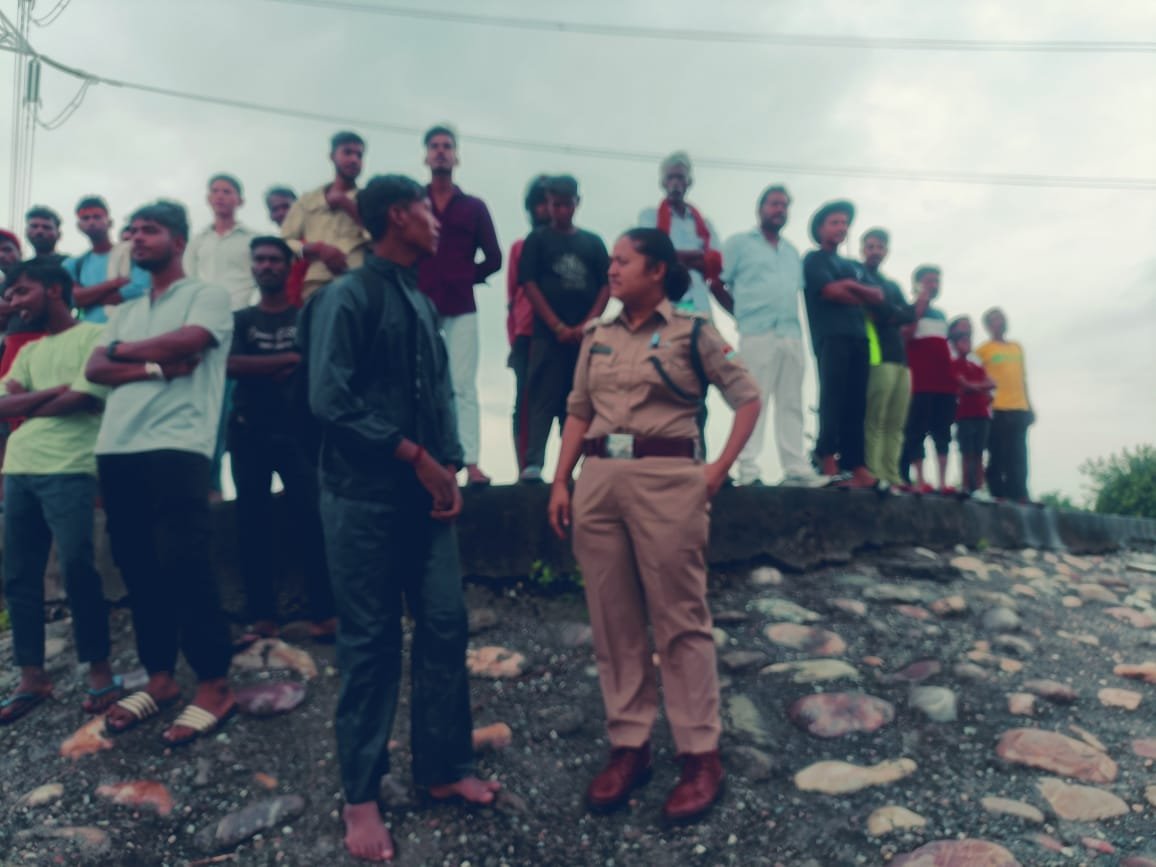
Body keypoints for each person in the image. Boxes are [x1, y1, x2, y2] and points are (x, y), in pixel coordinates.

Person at [305, 175, 499, 863]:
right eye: (425, 208)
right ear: (397, 214)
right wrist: (414, 456)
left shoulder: (420, 297)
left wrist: (448, 467)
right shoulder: (347, 295)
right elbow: (329, 399)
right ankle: (360, 796)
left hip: (425, 500)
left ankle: (443, 768)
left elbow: (436, 395)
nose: (436, 219)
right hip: (362, 498)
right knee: (371, 642)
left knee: (445, 626)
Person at [547, 228, 760, 821]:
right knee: (612, 620)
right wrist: (561, 481)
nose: (611, 269)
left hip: (668, 479)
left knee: (680, 620)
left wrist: (717, 470)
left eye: (623, 260)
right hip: (599, 480)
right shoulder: (597, 336)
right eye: (611, 261)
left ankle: (700, 754)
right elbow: (578, 411)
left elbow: (746, 397)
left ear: (657, 269)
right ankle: (630, 745)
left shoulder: (693, 331)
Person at [85, 200, 236, 747]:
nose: (137, 238)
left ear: (178, 240)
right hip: (117, 446)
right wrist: (152, 365)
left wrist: (122, 353)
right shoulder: (124, 311)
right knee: (137, 566)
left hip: (177, 444)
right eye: (134, 231)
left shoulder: (207, 295)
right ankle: (161, 678)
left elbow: (190, 342)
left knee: (184, 562)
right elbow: (95, 367)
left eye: (150, 230)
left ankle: (215, 683)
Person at [0, 262, 120, 724]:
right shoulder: (29, 351)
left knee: (77, 567)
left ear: (53, 289)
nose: (13, 302)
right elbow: (2, 405)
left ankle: (100, 671)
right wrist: (51, 395)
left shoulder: (95, 336)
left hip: (70, 466)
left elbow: (86, 397)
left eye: (21, 292)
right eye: (10, 295)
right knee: (18, 575)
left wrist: (27, 402)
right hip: (19, 466)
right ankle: (32, 677)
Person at [227, 236, 335, 642]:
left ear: (289, 267)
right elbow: (230, 364)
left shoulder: (306, 317)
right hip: (249, 429)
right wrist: (287, 359)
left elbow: (317, 364)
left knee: (313, 518)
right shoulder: (240, 319)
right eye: (260, 259)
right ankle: (262, 617)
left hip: (299, 430)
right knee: (251, 522)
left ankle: (325, 612)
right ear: (252, 266)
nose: (267, 266)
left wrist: (262, 365)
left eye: (275, 259)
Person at [417, 125, 502, 487]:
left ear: (456, 156)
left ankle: (469, 461)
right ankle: (431, 460)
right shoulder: (415, 202)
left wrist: (466, 276)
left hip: (461, 305)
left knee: (462, 384)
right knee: (421, 382)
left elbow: (494, 257)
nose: (441, 152)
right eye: (435, 146)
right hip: (419, 304)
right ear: (425, 155)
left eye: (447, 146)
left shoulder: (473, 206)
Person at [720, 185, 821, 487]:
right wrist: (740, 315)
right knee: (754, 399)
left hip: (791, 334)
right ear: (760, 208)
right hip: (757, 333)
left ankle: (796, 468)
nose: (779, 210)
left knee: (792, 402)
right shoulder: (739, 244)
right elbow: (717, 282)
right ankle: (748, 469)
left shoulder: (791, 252)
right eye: (774, 204)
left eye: (784, 205)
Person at [517, 175, 610, 483]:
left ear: (577, 203)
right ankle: (533, 463)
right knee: (542, 397)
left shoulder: (592, 243)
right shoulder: (537, 240)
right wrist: (556, 325)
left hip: (585, 338)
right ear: (548, 204)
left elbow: (606, 286)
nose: (561, 211)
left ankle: (580, 465)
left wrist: (587, 324)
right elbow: (529, 284)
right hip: (547, 336)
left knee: (583, 400)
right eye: (555, 205)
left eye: (566, 204)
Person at [802, 201, 883, 488]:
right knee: (832, 399)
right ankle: (826, 457)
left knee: (857, 403)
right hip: (831, 336)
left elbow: (877, 296)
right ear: (820, 228)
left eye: (844, 223)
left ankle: (856, 464)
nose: (841, 228)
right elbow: (830, 291)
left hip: (859, 337)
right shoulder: (814, 260)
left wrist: (851, 288)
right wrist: (856, 292)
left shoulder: (852, 265)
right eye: (835, 222)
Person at [281, 131, 370, 301]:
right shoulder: (307, 200)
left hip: (357, 284)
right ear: (332, 156)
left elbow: (379, 240)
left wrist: (348, 205)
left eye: (359, 155)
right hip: (314, 286)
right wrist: (315, 249)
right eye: (347, 152)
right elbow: (285, 242)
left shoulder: (368, 198)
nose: (354, 160)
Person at [638, 152, 726, 316]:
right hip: (664, 298)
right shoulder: (650, 216)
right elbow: (653, 254)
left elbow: (716, 262)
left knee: (702, 332)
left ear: (688, 182)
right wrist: (698, 255)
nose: (675, 183)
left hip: (699, 300)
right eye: (671, 177)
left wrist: (675, 258)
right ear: (663, 183)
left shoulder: (704, 224)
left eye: (680, 177)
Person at [860, 228, 916, 487]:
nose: (875, 251)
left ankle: (892, 473)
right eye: (870, 246)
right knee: (876, 418)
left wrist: (888, 313)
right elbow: (877, 311)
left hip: (900, 359)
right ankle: (874, 472)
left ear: (886, 251)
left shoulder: (891, 285)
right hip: (878, 357)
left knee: (897, 421)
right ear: (863, 249)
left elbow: (907, 314)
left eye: (879, 247)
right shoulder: (860, 276)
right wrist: (890, 314)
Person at [507, 175, 550, 472]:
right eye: (540, 203)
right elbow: (512, 296)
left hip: (564, 335)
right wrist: (513, 339)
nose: (546, 209)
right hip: (527, 332)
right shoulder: (520, 248)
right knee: (524, 401)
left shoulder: (575, 245)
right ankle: (526, 468)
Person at [901, 266, 955, 493]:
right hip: (919, 381)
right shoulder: (908, 310)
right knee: (916, 430)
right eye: (929, 281)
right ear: (917, 284)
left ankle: (943, 482)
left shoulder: (941, 315)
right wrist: (919, 306)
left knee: (943, 432)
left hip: (944, 382)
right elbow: (905, 335)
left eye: (936, 281)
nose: (933, 285)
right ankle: (920, 479)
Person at [977, 307, 1034, 502]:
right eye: (995, 319)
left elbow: (1023, 378)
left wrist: (1029, 405)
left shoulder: (1016, 347)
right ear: (988, 326)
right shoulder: (983, 350)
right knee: (998, 452)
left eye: (1002, 318)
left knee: (1019, 454)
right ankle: (998, 493)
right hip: (996, 407)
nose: (1000, 322)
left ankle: (1020, 493)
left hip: (1019, 407)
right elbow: (977, 376)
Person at [64, 196, 150, 324]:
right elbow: (72, 299)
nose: (91, 222)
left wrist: (89, 298)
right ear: (79, 226)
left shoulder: (132, 252)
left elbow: (139, 289)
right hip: (89, 332)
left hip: (130, 328)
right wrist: (113, 283)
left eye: (97, 217)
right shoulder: (74, 264)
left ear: (110, 222)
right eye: (85, 218)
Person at [184, 174, 258, 312]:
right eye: (215, 191)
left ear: (240, 201)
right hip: (203, 313)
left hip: (242, 311)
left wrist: (252, 306)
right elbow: (189, 277)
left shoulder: (253, 239)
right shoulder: (197, 241)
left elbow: (260, 278)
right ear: (208, 199)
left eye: (226, 192)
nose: (219, 196)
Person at [948, 315, 995, 496]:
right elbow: (963, 384)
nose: (966, 344)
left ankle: (979, 487)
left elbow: (992, 383)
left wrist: (975, 387)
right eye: (963, 341)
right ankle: (967, 486)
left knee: (979, 452)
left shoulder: (976, 366)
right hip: (964, 414)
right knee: (966, 452)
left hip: (982, 413)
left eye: (968, 341)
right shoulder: (954, 364)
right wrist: (980, 387)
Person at [264, 186, 308, 307]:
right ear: (271, 216)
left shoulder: (317, 239)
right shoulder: (272, 252)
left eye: (286, 207)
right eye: (275, 209)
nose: (282, 213)